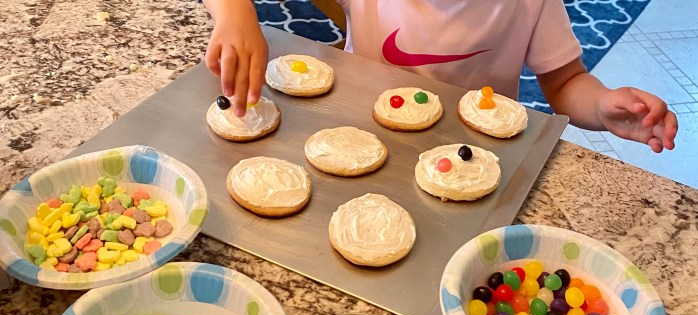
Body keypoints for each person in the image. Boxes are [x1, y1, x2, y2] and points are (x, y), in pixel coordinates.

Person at [202, 0, 678, 153]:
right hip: (357, 138)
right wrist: (235, 14)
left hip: (474, 152)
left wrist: (601, 106)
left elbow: (565, 82)